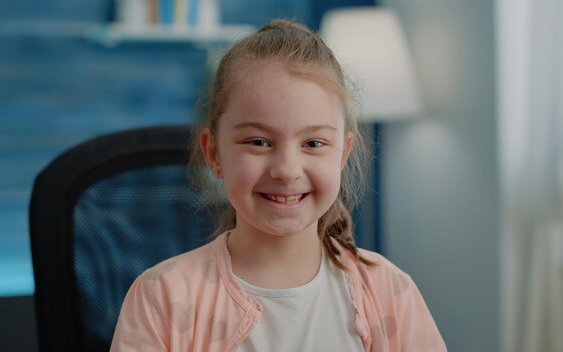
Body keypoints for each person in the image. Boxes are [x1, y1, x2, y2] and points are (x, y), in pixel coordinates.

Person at [110, 20, 446, 352]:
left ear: (343, 153)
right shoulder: (162, 297)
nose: (286, 170)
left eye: (313, 143)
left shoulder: (389, 292)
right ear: (213, 153)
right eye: (258, 141)